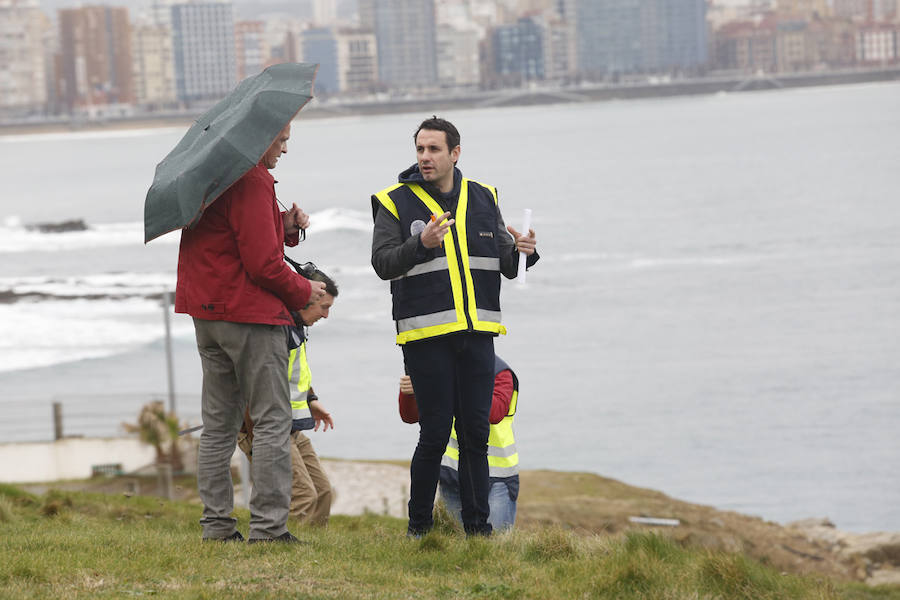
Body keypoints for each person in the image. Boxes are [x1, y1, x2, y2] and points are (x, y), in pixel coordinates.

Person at [370, 116, 538, 537]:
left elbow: (506, 263)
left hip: (478, 334)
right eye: (420, 149)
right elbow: (383, 263)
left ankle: (478, 532)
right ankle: (419, 530)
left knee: (475, 436)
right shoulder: (394, 201)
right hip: (425, 337)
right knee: (434, 435)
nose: (425, 157)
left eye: (434, 149)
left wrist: (525, 252)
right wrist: (421, 244)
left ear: (455, 153)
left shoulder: (484, 196)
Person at [175, 122, 327, 543]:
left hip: (207, 313)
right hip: (249, 316)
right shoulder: (252, 178)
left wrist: (284, 225)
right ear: (261, 136)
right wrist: (305, 290)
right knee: (273, 420)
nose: (284, 149)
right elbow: (263, 264)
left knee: (218, 425)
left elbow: (229, 236)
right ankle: (268, 529)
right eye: (281, 140)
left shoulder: (212, 173)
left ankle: (217, 526)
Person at [238, 266, 338, 527]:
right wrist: (259, 439)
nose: (326, 315)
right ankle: (286, 547)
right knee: (303, 497)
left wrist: (311, 400)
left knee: (323, 492)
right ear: (306, 298)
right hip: (266, 428)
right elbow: (256, 385)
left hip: (290, 425)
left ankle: (316, 545)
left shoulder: (296, 327)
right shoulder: (275, 330)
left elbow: (294, 373)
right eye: (324, 307)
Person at [399, 355, 520, 532]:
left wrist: (450, 384)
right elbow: (410, 416)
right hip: (452, 476)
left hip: (497, 480)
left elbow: (495, 412)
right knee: (454, 539)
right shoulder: (439, 367)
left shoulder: (500, 372)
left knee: (493, 543)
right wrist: (411, 393)